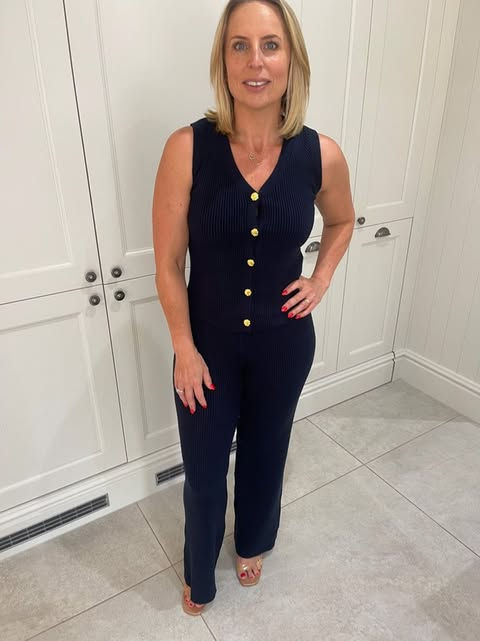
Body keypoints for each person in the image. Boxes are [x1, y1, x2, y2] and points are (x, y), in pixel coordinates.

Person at [152, 0, 355, 616]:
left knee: (268, 451)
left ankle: (254, 541)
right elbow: (168, 262)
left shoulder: (321, 154)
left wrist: (320, 278)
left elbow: (343, 220)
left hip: (283, 344)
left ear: (292, 59)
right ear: (223, 60)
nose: (255, 61)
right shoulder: (187, 148)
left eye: (270, 45)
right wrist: (183, 348)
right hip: (205, 349)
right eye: (239, 45)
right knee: (204, 469)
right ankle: (200, 571)